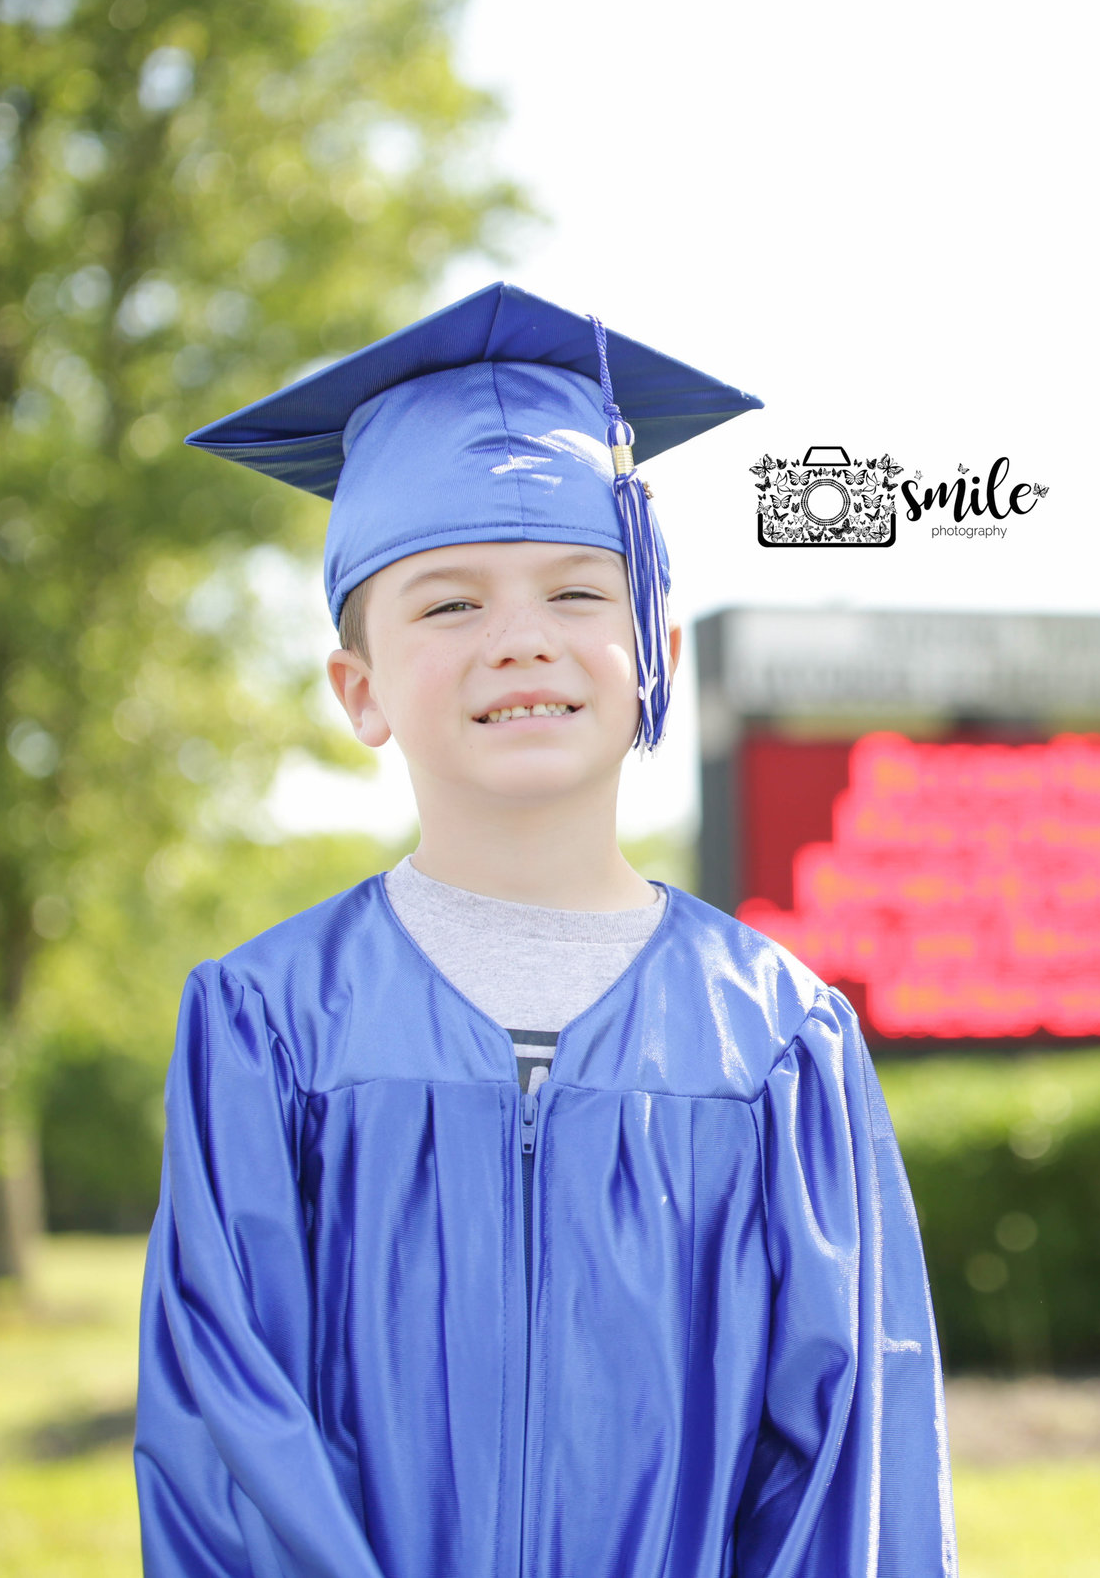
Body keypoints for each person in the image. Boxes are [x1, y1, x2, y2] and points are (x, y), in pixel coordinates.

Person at [134, 284, 956, 1578]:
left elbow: (848, 1459)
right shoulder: (268, 1024)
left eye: (579, 593)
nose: (520, 641)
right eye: (448, 606)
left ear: (654, 653)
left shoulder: (778, 1041)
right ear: (360, 691)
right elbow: (225, 1443)